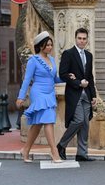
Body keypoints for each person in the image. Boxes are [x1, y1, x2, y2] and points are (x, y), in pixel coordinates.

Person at [16, 31, 75, 163]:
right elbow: (27, 80)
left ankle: (25, 150)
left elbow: (55, 78)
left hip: (49, 93)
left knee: (37, 125)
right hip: (38, 93)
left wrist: (67, 78)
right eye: (47, 45)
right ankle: (54, 152)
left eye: (50, 45)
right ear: (40, 46)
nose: (50, 47)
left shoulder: (52, 60)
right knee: (48, 120)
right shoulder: (33, 60)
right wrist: (21, 97)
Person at [57, 28, 97, 161]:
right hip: (74, 94)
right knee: (79, 120)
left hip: (87, 94)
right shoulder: (68, 54)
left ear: (87, 40)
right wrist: (78, 82)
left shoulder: (89, 55)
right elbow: (62, 74)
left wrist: (94, 95)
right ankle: (62, 144)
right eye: (79, 38)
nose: (82, 41)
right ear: (75, 38)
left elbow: (90, 77)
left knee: (85, 124)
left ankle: (81, 154)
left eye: (84, 39)